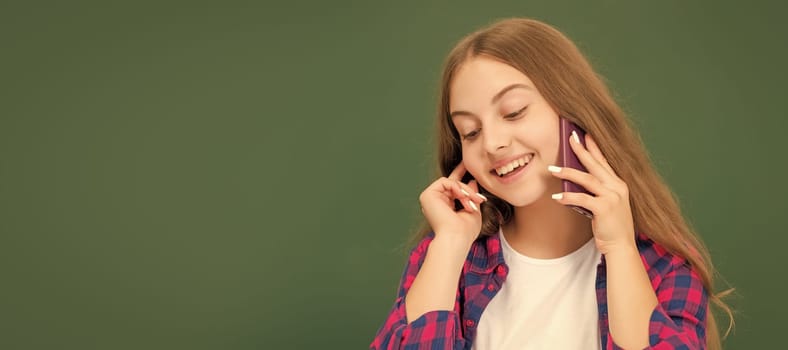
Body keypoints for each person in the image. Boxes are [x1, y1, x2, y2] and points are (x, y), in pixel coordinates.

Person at [370, 18, 733, 350]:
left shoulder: (665, 264)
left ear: (573, 111)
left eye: (514, 112)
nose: (493, 143)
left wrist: (619, 247)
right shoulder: (447, 259)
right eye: (471, 131)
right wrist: (449, 243)